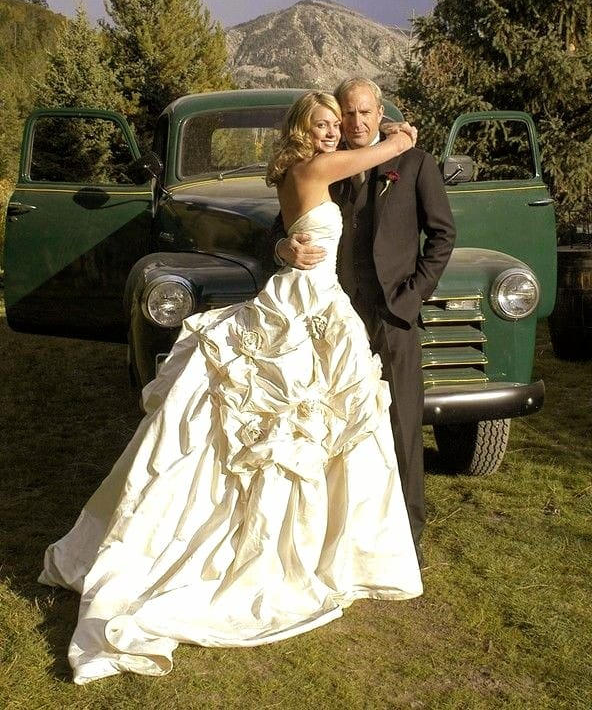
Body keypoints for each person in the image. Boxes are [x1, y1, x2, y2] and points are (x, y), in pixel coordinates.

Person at [39, 91, 423, 685]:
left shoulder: (292, 171)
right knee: (304, 423)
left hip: (313, 297)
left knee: (314, 424)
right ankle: (291, 551)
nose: (332, 132)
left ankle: (324, 540)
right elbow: (378, 153)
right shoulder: (318, 167)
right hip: (308, 304)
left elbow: (294, 225)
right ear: (303, 129)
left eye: (336, 124)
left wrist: (285, 245)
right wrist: (399, 135)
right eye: (322, 123)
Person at [275, 79, 456, 559]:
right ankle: (347, 536)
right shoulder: (324, 163)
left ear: (380, 113)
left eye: (364, 112)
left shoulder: (415, 163)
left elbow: (442, 236)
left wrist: (411, 298)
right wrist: (283, 247)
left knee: (401, 426)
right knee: (339, 426)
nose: (355, 123)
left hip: (392, 315)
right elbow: (284, 225)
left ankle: (408, 539)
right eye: (347, 114)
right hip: (333, 319)